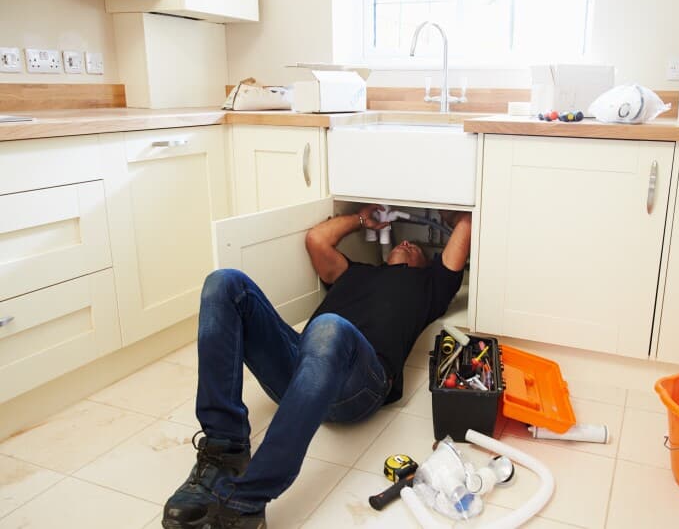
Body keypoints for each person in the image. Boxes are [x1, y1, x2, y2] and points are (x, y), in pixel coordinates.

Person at [162, 204, 472, 529]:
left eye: (419, 249)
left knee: (328, 328)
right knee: (224, 283)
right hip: (302, 366)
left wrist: (448, 215)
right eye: (406, 242)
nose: (410, 245)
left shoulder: (431, 286)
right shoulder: (355, 271)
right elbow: (317, 240)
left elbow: (466, 222)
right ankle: (224, 452)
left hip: (360, 382)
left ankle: (247, 500)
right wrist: (364, 218)